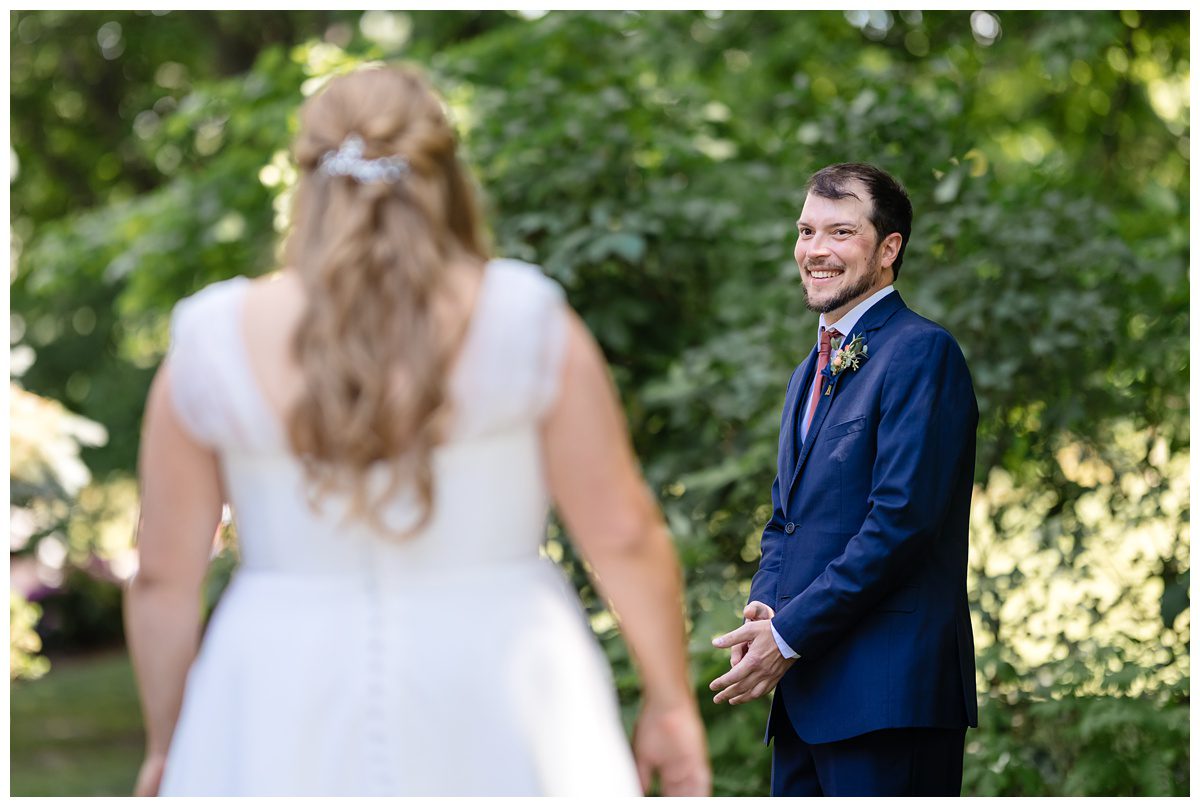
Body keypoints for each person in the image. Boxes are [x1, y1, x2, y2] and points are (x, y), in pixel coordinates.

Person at [124, 65, 709, 797]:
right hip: (503, 679)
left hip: (274, 689)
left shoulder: (212, 337)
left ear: (307, 182)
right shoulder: (526, 317)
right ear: (445, 172)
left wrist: (173, 741)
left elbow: (162, 577)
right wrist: (670, 700)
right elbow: (621, 532)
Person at [709, 163, 978, 796]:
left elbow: (900, 524)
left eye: (840, 232)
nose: (815, 251)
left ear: (889, 249)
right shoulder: (809, 368)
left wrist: (788, 635)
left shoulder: (921, 353)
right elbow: (786, 519)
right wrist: (766, 612)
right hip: (805, 696)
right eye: (806, 231)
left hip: (888, 698)